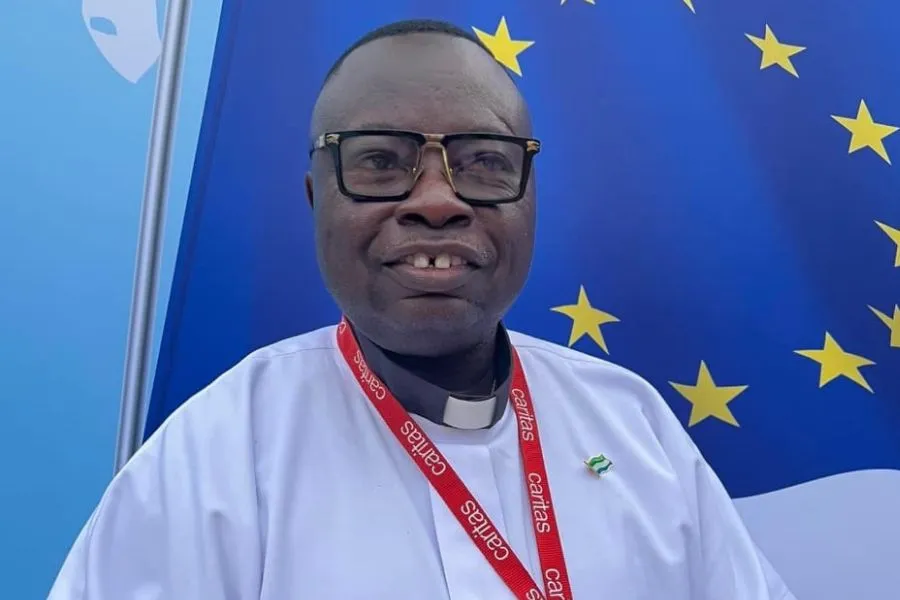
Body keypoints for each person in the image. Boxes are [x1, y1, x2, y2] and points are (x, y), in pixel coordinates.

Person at [49, 19, 796, 600]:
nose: (437, 201)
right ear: (316, 200)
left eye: (484, 162)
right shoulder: (215, 457)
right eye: (379, 161)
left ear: (530, 201)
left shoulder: (631, 425)